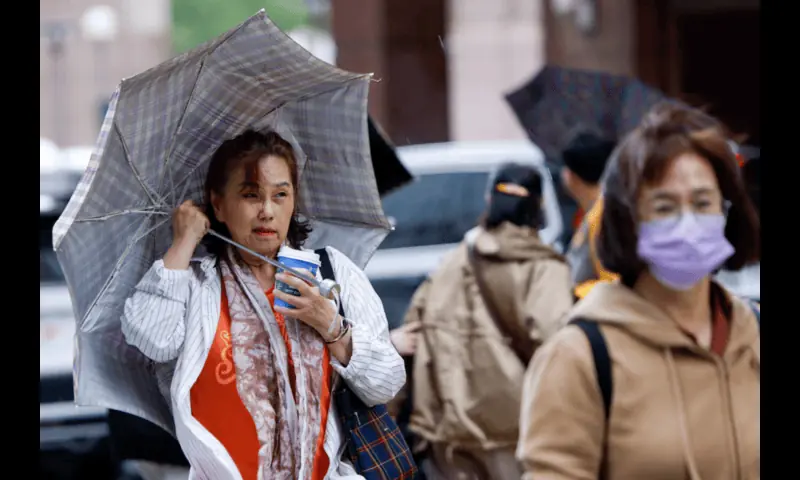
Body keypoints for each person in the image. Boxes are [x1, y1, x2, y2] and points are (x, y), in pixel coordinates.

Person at [120, 130, 405, 480]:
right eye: (250, 194)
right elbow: (153, 339)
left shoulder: (331, 271)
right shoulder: (196, 284)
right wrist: (183, 242)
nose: (267, 211)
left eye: (280, 195)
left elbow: (386, 383)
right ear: (219, 204)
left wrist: (332, 327)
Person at [517, 103, 760, 479]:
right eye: (664, 207)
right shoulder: (580, 357)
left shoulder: (752, 331)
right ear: (631, 221)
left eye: (702, 203)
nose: (688, 223)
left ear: (726, 211)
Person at [398, 163, 574, 480]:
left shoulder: (449, 266)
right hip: (516, 432)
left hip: (447, 437)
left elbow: (410, 340)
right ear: (539, 207)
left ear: (490, 201)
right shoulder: (545, 270)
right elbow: (559, 349)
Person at [560, 132, 619, 299]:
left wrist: (578, 294)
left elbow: (613, 281)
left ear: (572, 176)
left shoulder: (604, 216)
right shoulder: (590, 214)